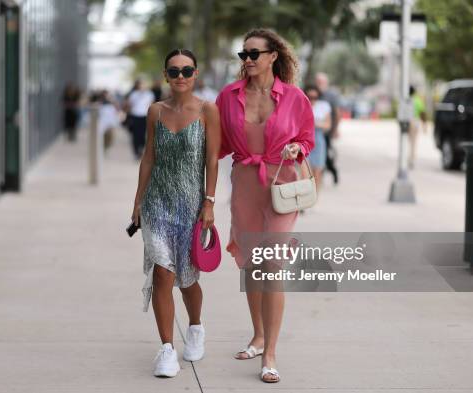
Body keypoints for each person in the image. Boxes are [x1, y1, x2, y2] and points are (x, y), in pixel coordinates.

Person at [215, 28, 314, 383]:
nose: (248, 60)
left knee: (272, 265)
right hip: (245, 185)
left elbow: (306, 137)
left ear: (273, 56)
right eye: (244, 54)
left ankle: (269, 353)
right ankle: (257, 335)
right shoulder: (228, 96)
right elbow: (218, 145)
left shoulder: (294, 97)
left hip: (281, 187)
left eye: (254, 53)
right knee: (252, 265)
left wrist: (296, 149)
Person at [131, 49, 221, 378]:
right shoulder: (155, 110)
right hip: (157, 204)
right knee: (161, 275)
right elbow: (148, 158)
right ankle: (167, 349)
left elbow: (212, 161)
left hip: (191, 206)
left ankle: (195, 327)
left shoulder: (208, 111)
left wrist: (209, 202)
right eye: (174, 71)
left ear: (195, 74)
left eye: (187, 71)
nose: (180, 76)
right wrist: (138, 201)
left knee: (187, 280)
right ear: (166, 75)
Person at [304, 85, 331, 191]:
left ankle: (315, 195)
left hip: (318, 139)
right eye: (310, 97)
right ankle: (306, 195)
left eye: (315, 97)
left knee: (317, 170)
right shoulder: (303, 104)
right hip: (304, 139)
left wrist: (314, 123)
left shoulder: (324, 106)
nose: (312, 99)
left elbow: (328, 125)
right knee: (306, 171)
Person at [315, 72, 340, 184]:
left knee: (326, 155)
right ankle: (320, 174)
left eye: (321, 82)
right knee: (321, 155)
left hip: (327, 131)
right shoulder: (315, 94)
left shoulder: (331, 95)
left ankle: (333, 171)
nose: (319, 84)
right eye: (318, 82)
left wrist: (335, 130)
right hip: (315, 131)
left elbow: (337, 113)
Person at [125, 80, 155, 159]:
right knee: (135, 134)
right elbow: (129, 105)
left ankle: (141, 149)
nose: (142, 87)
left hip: (145, 116)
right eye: (141, 85)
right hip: (135, 115)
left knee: (143, 134)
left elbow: (151, 104)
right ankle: (136, 151)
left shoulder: (149, 94)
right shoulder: (134, 94)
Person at [408, 85, 428, 169]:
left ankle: (408, 159)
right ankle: (411, 160)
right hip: (415, 122)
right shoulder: (417, 100)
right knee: (413, 142)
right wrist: (424, 125)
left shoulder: (406, 100)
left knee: (408, 142)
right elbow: (422, 113)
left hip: (407, 122)